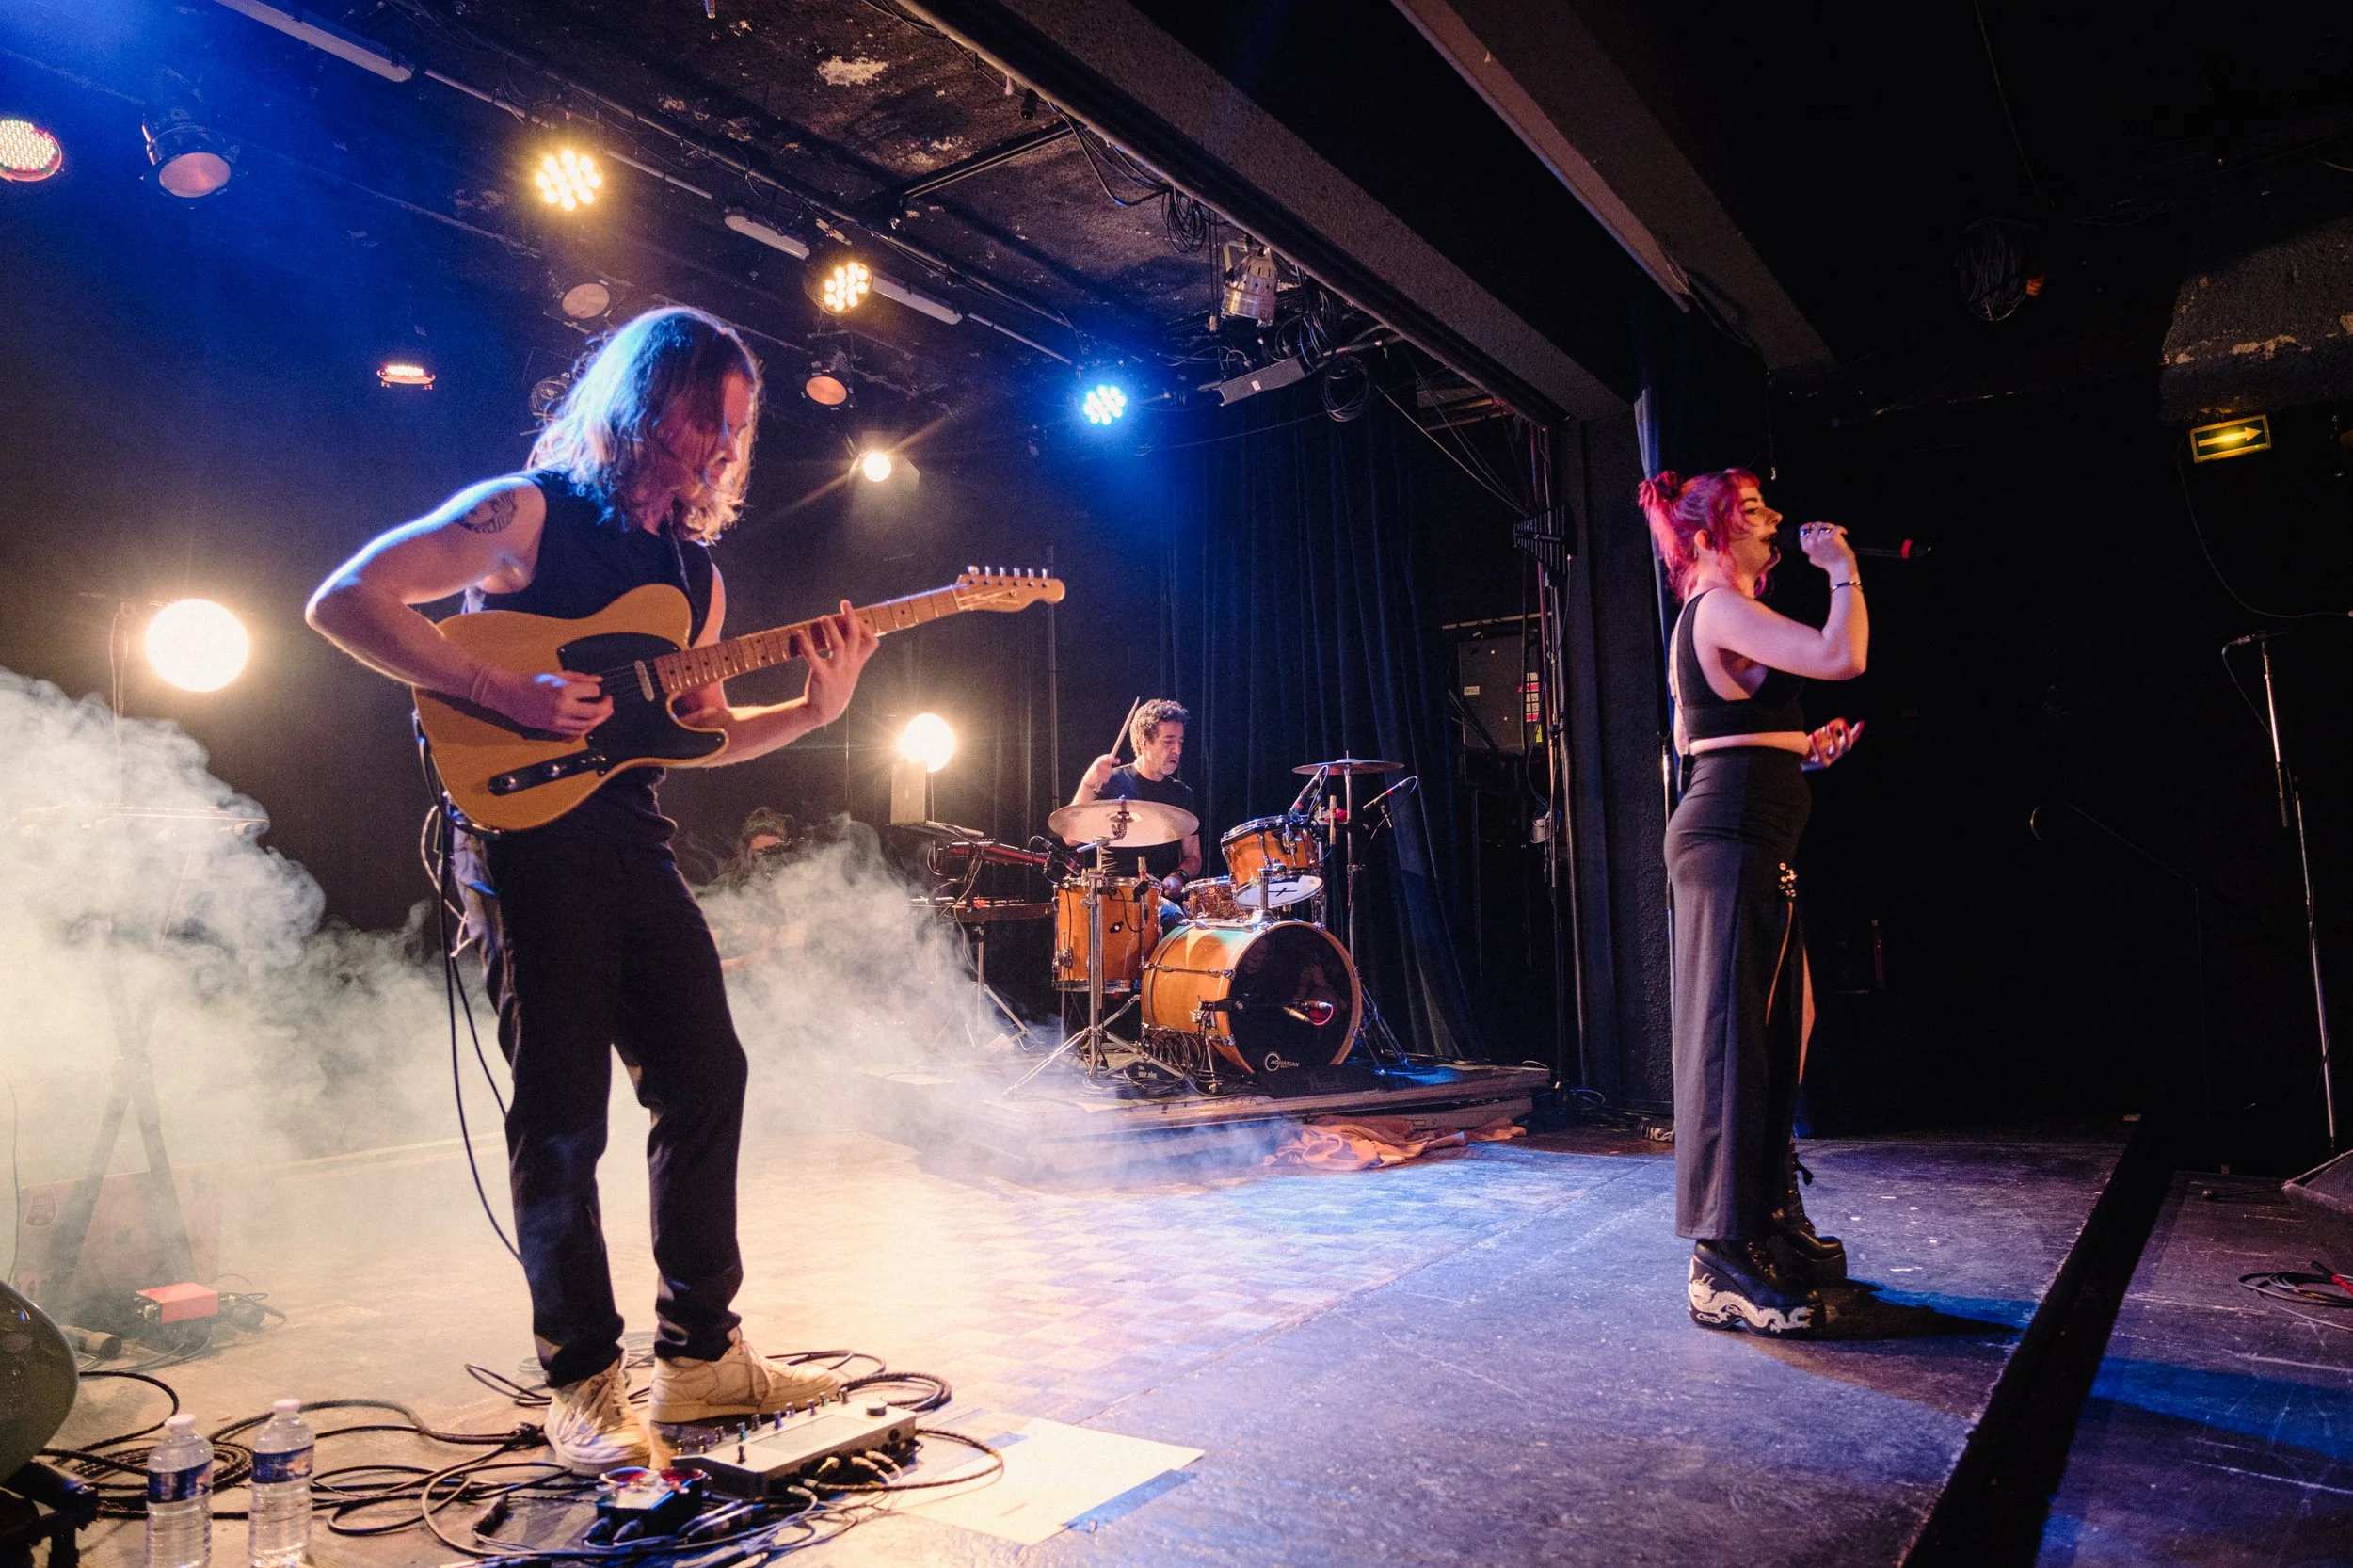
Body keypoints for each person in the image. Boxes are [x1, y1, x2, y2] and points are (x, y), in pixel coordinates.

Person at [306, 307, 880, 1472]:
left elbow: (698, 737)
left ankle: (700, 1355)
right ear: (642, 404)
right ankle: (579, 1375)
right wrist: (496, 691)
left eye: (738, 429)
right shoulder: (524, 514)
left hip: (631, 838)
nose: (722, 447)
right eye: (705, 419)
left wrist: (813, 710)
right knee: (563, 1111)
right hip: (525, 844)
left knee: (705, 1072)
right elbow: (347, 600)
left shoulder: (694, 576)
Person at [1640, 467, 1866, 1337]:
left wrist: (1798, 750)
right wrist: (1842, 570)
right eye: (1755, 511)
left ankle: (1765, 1215)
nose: (1774, 521)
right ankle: (1721, 1259)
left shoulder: (1716, 617)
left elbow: (1704, 734)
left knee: (1782, 1029)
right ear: (1707, 536)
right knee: (1733, 1043)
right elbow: (1842, 656)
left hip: (1749, 834)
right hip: (1730, 836)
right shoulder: (1717, 606)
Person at [1064, 699, 1201, 926]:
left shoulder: (1181, 794)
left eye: (1180, 742)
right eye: (1168, 741)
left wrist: (1178, 876)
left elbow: (1193, 858)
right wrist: (1088, 783)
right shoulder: (1111, 782)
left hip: (1161, 900)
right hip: (1113, 898)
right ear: (1144, 742)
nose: (1177, 750)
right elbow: (1070, 838)